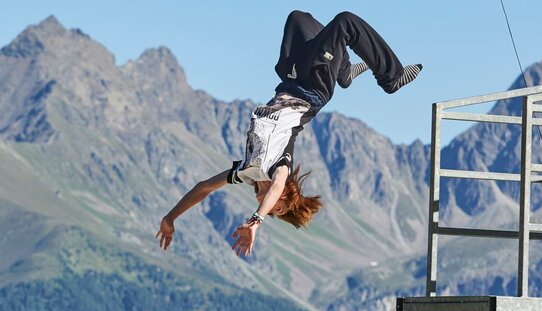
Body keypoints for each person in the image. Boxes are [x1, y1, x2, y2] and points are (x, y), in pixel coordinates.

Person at [156, 10, 422, 257]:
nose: (273, 205)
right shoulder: (280, 167)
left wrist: (171, 217)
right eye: (279, 206)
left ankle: (343, 72)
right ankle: (392, 77)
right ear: (286, 194)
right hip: (312, 89)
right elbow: (276, 188)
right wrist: (256, 221)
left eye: (274, 210)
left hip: (291, 81)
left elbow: (203, 188)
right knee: (345, 22)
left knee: (298, 19)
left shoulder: (244, 172)